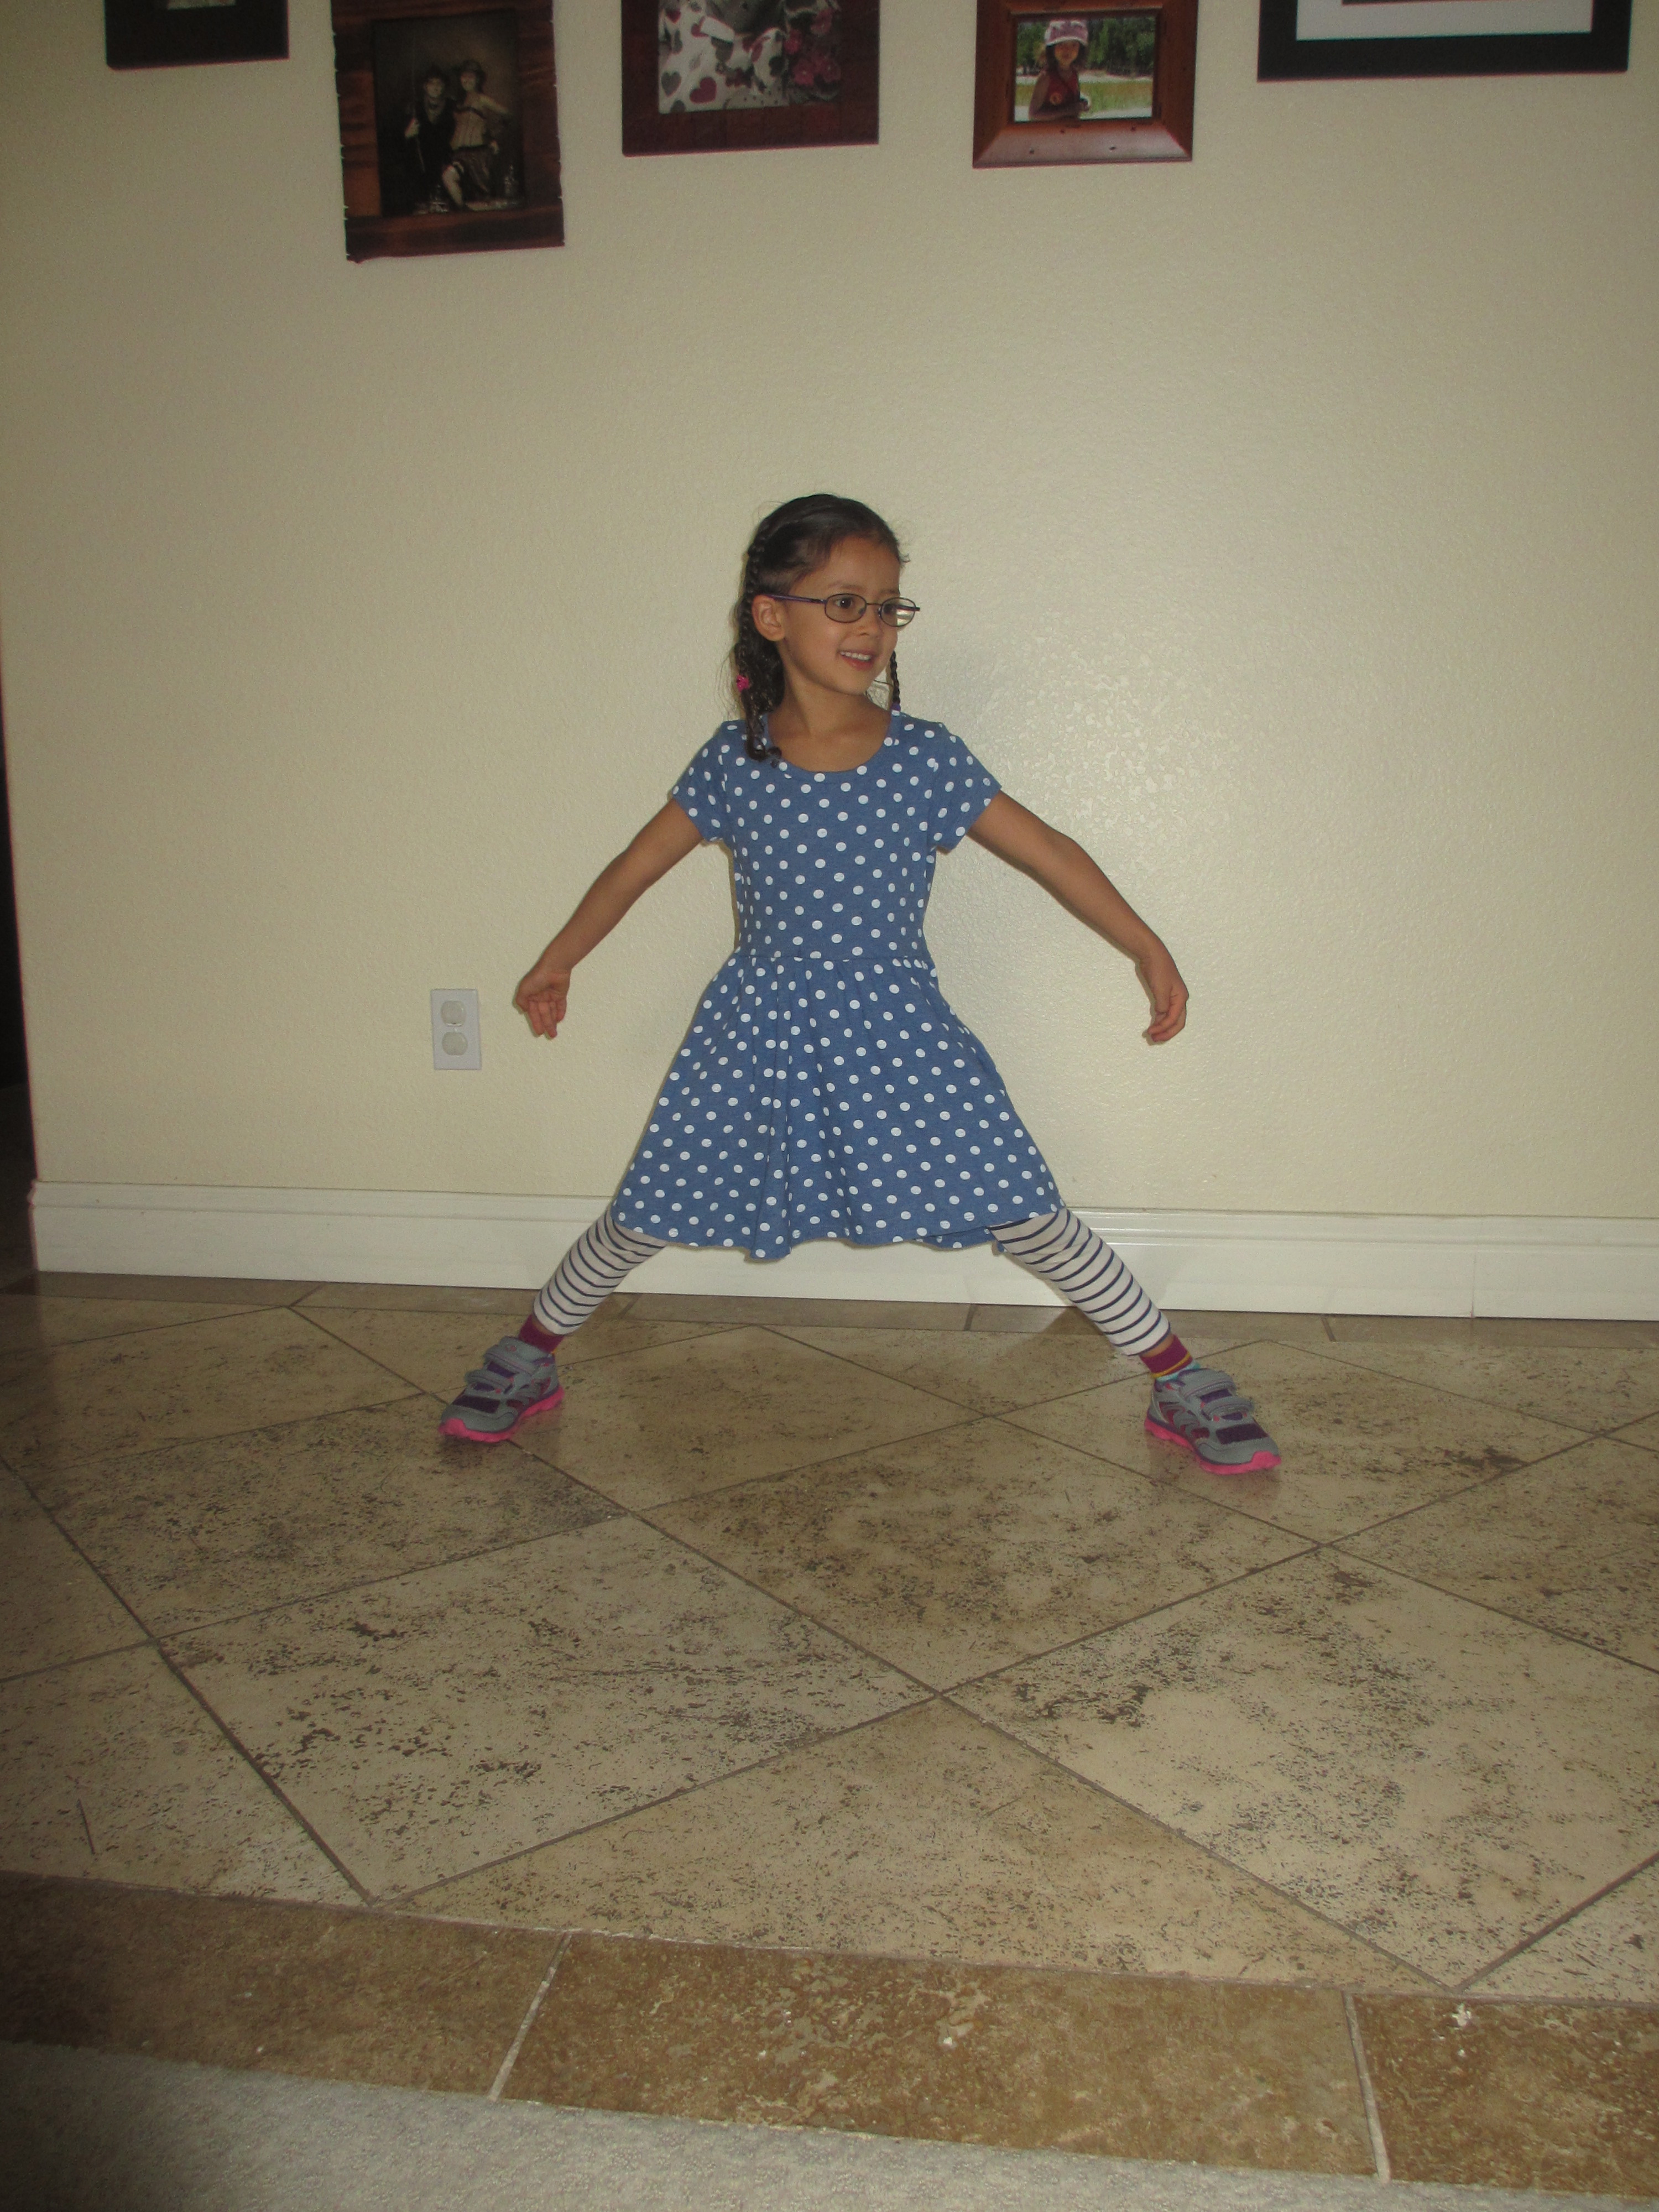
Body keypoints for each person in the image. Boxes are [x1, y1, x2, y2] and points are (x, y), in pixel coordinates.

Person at [440, 494, 1280, 1477]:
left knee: (1021, 1205)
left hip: (897, 1028)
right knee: (648, 1206)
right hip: (758, 1027)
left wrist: (1145, 945)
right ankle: (532, 1353)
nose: (871, 626)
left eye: (887, 607)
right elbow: (635, 867)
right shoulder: (734, 762)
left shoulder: (925, 758)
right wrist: (560, 958)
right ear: (771, 615)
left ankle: (1176, 1374)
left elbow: (1048, 851)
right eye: (844, 602)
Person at [1027, 18, 1089, 122]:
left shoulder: (1074, 73)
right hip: (1050, 131)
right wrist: (1066, 111)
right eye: (1061, 44)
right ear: (1052, 47)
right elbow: (1033, 115)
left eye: (1074, 45)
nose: (1067, 50)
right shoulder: (1046, 77)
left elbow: (1073, 96)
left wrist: (1084, 102)